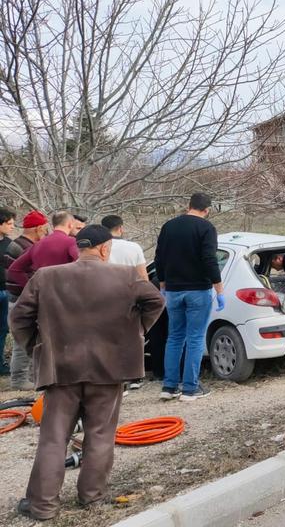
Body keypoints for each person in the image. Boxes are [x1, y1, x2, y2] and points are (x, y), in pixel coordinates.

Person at [9, 225, 164, 521]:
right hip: (109, 368)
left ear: (79, 247)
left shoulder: (46, 276)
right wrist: (135, 333)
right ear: (105, 249)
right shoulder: (126, 275)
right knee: (101, 434)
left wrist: (38, 348)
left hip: (61, 367)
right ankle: (92, 496)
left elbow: (19, 318)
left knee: (54, 438)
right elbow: (156, 301)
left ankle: (42, 505)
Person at [155, 193, 224, 401]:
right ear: (207, 209)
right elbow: (209, 259)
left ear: (188, 205)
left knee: (175, 337)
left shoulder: (169, 226)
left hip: (174, 290)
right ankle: (190, 388)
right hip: (198, 290)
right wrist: (219, 289)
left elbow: (160, 257)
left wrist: (163, 284)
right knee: (194, 339)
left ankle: (169, 386)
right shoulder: (206, 228)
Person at [4, 210, 48, 390]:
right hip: (23, 300)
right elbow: (16, 274)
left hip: (18, 298)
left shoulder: (17, 244)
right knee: (23, 340)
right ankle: (20, 379)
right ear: (37, 228)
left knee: (26, 338)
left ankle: (27, 377)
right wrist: (34, 289)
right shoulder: (25, 247)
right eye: (44, 229)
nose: (46, 232)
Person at [8, 211, 79, 291]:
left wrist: (32, 288)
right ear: (70, 224)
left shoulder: (37, 244)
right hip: (62, 294)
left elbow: (14, 269)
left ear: (54, 225)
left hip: (42, 295)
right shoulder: (71, 242)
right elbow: (82, 263)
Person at [101, 215, 149, 280]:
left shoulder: (98, 248)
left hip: (104, 288)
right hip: (129, 288)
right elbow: (143, 277)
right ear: (121, 228)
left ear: (102, 229)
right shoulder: (134, 247)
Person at [0, 207, 16, 376]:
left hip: (6, 291)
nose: (12, 226)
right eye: (9, 223)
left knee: (3, 329)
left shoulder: (9, 244)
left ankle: (0, 364)